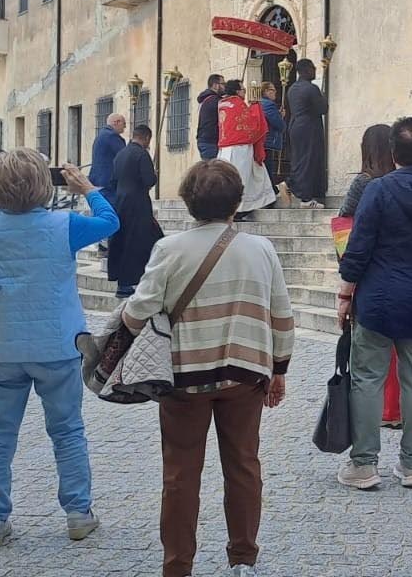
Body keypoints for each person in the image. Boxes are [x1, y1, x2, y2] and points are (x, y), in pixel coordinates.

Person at [121, 160, 294, 577]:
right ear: (237, 203)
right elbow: (282, 315)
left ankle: (177, 566)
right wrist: (279, 368)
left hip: (185, 376)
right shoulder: (261, 249)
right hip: (245, 374)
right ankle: (243, 559)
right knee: (244, 466)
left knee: (180, 474)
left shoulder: (170, 249)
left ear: (188, 201)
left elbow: (139, 310)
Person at [0, 148, 118, 549]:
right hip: (57, 344)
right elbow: (109, 221)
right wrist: (87, 187)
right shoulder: (64, 224)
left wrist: (4, 192)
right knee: (67, 431)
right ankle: (78, 513)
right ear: (45, 187)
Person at [336, 117, 412, 491]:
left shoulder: (378, 190)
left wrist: (345, 294)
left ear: (393, 152)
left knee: (367, 379)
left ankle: (364, 463)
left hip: (378, 296)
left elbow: (358, 248)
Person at [337, 124, 406, 428]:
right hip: (400, 269)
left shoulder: (363, 183)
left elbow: (342, 220)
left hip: (368, 271)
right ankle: (396, 408)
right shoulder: (399, 180)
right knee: (399, 348)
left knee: (369, 350)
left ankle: (377, 410)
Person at [108, 125, 163, 298]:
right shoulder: (141, 154)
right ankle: (138, 281)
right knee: (140, 242)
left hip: (120, 202)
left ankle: (124, 282)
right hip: (138, 205)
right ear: (146, 138)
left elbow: (113, 180)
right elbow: (148, 180)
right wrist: (154, 174)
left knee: (124, 240)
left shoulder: (121, 154)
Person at [217, 80, 277, 218]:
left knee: (229, 179)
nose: (244, 92)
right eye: (243, 89)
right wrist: (256, 106)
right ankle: (238, 209)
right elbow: (252, 124)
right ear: (237, 92)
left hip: (225, 148)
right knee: (241, 179)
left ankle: (237, 208)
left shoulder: (222, 103)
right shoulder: (238, 104)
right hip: (239, 149)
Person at [285, 59, 327, 208]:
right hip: (309, 126)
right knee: (309, 160)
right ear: (307, 69)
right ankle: (304, 196)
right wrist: (322, 95)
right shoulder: (311, 88)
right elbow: (323, 108)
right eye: (313, 68)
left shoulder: (292, 88)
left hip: (295, 125)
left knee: (299, 159)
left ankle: (292, 185)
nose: (314, 71)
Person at [89, 113, 127, 204]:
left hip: (97, 182)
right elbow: (124, 157)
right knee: (112, 214)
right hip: (109, 184)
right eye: (124, 124)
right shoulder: (112, 136)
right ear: (117, 122)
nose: (124, 128)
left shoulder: (101, 136)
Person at [259, 81, 286, 193]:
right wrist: (281, 117)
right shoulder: (268, 105)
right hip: (269, 141)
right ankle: (271, 191)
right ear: (266, 91)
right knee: (268, 168)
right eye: (272, 90)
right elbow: (279, 124)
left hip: (263, 141)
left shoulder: (259, 104)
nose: (275, 92)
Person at [196, 74, 226, 160]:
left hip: (205, 140)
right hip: (211, 142)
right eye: (223, 84)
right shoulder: (214, 101)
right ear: (216, 85)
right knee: (213, 171)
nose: (225, 87)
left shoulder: (206, 99)